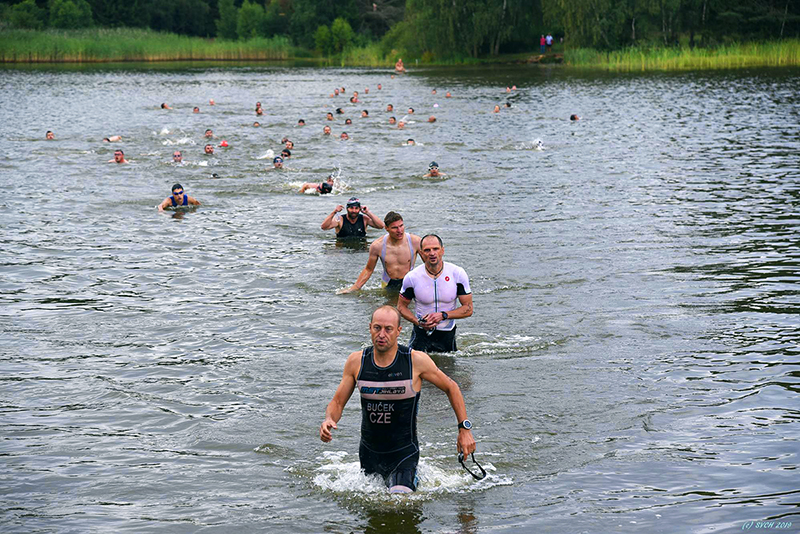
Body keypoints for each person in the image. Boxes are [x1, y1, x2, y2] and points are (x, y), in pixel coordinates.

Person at [319, 305, 477, 493]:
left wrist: (464, 429)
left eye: (388, 329)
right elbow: (337, 402)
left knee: (399, 503)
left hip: (404, 454)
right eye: (377, 328)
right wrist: (329, 419)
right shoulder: (357, 362)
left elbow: (451, 387)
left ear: (399, 331)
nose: (382, 334)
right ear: (370, 328)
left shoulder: (415, 361)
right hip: (369, 453)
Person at [397, 234, 473, 353]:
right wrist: (418, 322)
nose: (432, 253)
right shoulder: (412, 277)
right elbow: (401, 307)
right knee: (416, 369)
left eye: (435, 249)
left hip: (447, 334)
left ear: (442, 250)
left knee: (449, 370)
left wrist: (444, 315)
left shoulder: (457, 274)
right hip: (421, 333)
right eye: (427, 250)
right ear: (421, 253)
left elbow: (468, 309)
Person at [339, 211, 421, 293]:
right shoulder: (377, 246)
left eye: (401, 226)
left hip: (409, 281)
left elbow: (428, 263)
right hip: (388, 283)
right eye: (394, 228)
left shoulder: (415, 241)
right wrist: (355, 287)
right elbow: (369, 269)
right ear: (387, 228)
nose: (399, 230)